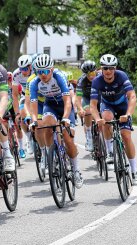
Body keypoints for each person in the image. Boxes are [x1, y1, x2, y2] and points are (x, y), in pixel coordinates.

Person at [29, 54, 83, 188]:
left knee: (68, 138)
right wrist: (34, 120)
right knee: (46, 126)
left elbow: (67, 101)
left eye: (46, 71)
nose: (43, 75)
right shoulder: (34, 83)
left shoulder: (59, 76)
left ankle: (76, 170)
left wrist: (65, 117)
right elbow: (34, 105)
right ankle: (51, 155)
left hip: (64, 106)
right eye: (40, 72)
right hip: (50, 105)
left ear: (52, 69)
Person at [90, 54, 137, 185]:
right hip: (107, 106)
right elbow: (93, 105)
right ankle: (110, 153)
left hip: (123, 106)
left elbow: (132, 96)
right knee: (106, 119)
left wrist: (128, 114)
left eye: (111, 68)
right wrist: (97, 119)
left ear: (115, 68)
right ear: (101, 69)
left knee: (126, 136)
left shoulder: (122, 76)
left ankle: (134, 170)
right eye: (105, 68)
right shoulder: (97, 81)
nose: (108, 71)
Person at [12, 55, 34, 156]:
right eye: (21, 69)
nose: (23, 71)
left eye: (25, 69)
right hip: (25, 96)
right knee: (22, 116)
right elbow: (15, 95)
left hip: (38, 95)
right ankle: (29, 137)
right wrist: (17, 113)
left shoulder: (36, 71)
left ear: (30, 66)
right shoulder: (16, 74)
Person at [76, 60, 98, 151]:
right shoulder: (81, 81)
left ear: (95, 71)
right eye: (88, 74)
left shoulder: (101, 76)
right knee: (88, 112)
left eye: (92, 73)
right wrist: (80, 109)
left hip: (98, 98)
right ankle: (89, 136)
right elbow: (78, 98)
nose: (91, 76)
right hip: (86, 99)